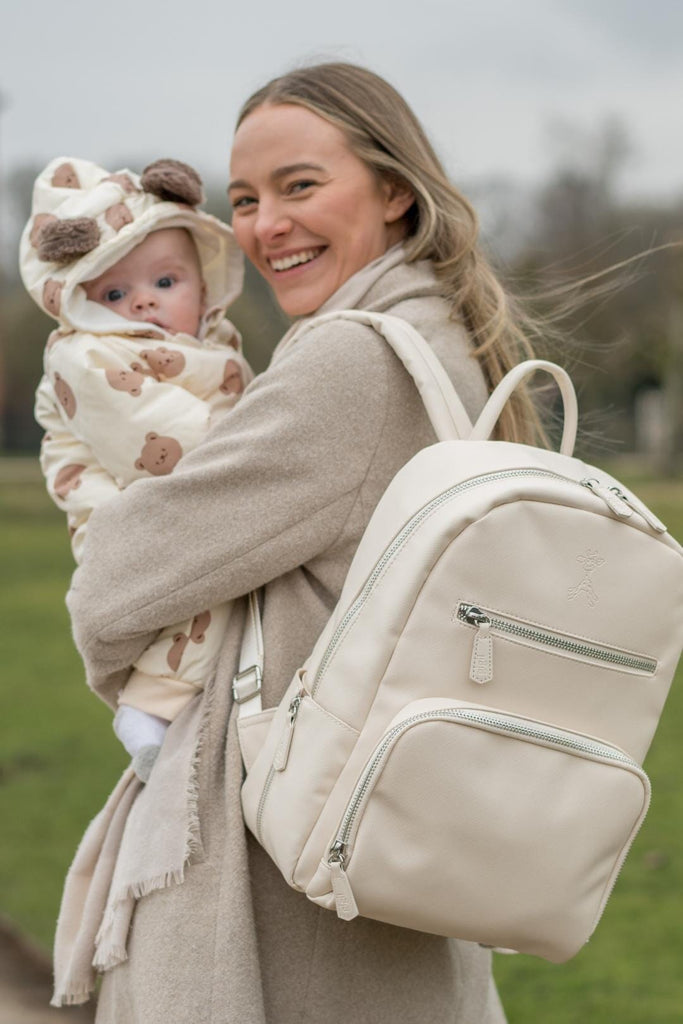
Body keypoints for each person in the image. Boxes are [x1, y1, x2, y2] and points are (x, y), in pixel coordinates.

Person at [58, 63, 546, 1022]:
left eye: (299, 186)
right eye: (244, 199)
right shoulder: (446, 343)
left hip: (284, 901)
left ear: (394, 190)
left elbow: (115, 583)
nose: (266, 224)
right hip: (385, 859)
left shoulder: (356, 362)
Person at [21, 157, 252, 780]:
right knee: (206, 592)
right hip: (124, 509)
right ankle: (150, 706)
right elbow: (161, 436)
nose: (144, 301)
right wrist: (259, 455)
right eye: (115, 295)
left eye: (166, 281)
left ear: (202, 281)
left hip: (195, 492)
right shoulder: (86, 356)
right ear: (79, 301)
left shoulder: (213, 345)